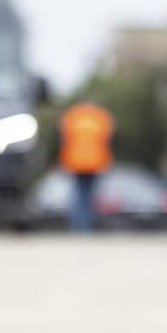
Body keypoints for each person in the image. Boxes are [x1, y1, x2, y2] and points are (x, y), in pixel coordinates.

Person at [57, 99, 115, 233]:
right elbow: (106, 140)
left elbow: (64, 140)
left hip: (75, 162)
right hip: (95, 162)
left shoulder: (72, 116)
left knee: (78, 195)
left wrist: (62, 161)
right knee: (88, 196)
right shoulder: (101, 117)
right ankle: (86, 226)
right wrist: (107, 162)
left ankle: (78, 227)